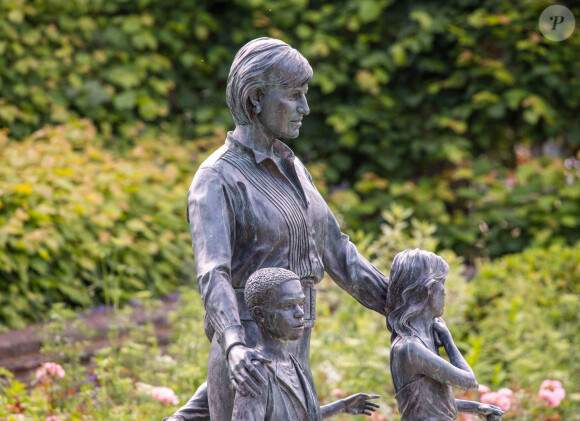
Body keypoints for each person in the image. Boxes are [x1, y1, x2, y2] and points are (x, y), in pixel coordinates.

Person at [164, 37, 389, 421]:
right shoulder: (216, 178)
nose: (305, 107)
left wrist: (404, 307)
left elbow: (339, 253)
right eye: (294, 95)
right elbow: (213, 274)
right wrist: (234, 346)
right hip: (248, 357)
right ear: (255, 100)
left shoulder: (292, 167)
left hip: (290, 344)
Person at [231, 267, 380, 420]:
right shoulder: (256, 373)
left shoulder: (293, 363)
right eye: (288, 306)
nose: (300, 313)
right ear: (260, 314)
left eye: (301, 304)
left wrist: (342, 406)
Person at [386, 249, 504, 421]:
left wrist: (477, 408)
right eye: (442, 282)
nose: (445, 291)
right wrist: (448, 340)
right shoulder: (410, 348)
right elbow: (469, 381)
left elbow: (432, 403)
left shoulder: (422, 340)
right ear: (428, 288)